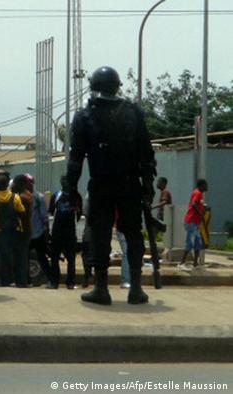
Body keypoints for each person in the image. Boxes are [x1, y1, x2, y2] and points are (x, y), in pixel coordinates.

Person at [67, 66, 156, 305]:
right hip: (130, 185)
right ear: (117, 86)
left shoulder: (85, 116)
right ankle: (135, 288)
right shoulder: (134, 113)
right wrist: (148, 188)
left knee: (100, 234)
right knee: (133, 234)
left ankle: (102, 288)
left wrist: (71, 189)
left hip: (102, 185)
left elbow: (76, 159)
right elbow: (147, 155)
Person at [0, 170, 25, 286]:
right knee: (12, 256)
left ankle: (1, 280)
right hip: (14, 231)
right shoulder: (15, 197)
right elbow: (22, 213)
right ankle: (11, 280)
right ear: (8, 184)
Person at [48, 175, 82, 289]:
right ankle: (54, 282)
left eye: (66, 180)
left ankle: (70, 282)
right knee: (54, 256)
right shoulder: (56, 195)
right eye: (62, 180)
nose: (64, 182)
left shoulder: (76, 196)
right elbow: (52, 212)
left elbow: (79, 214)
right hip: (57, 230)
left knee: (71, 258)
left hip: (70, 231)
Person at [27, 175, 52, 288]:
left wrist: (46, 232)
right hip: (27, 234)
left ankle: (50, 279)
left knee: (42, 258)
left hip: (38, 233)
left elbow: (44, 217)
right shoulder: (21, 196)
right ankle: (26, 281)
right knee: (25, 258)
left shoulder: (38, 197)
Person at [180, 179, 208, 269]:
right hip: (191, 221)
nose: (207, 187)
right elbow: (194, 204)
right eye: (205, 185)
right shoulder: (197, 193)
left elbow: (198, 204)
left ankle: (195, 264)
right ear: (201, 185)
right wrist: (200, 213)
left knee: (197, 243)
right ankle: (181, 263)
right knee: (189, 242)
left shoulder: (200, 194)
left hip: (195, 222)